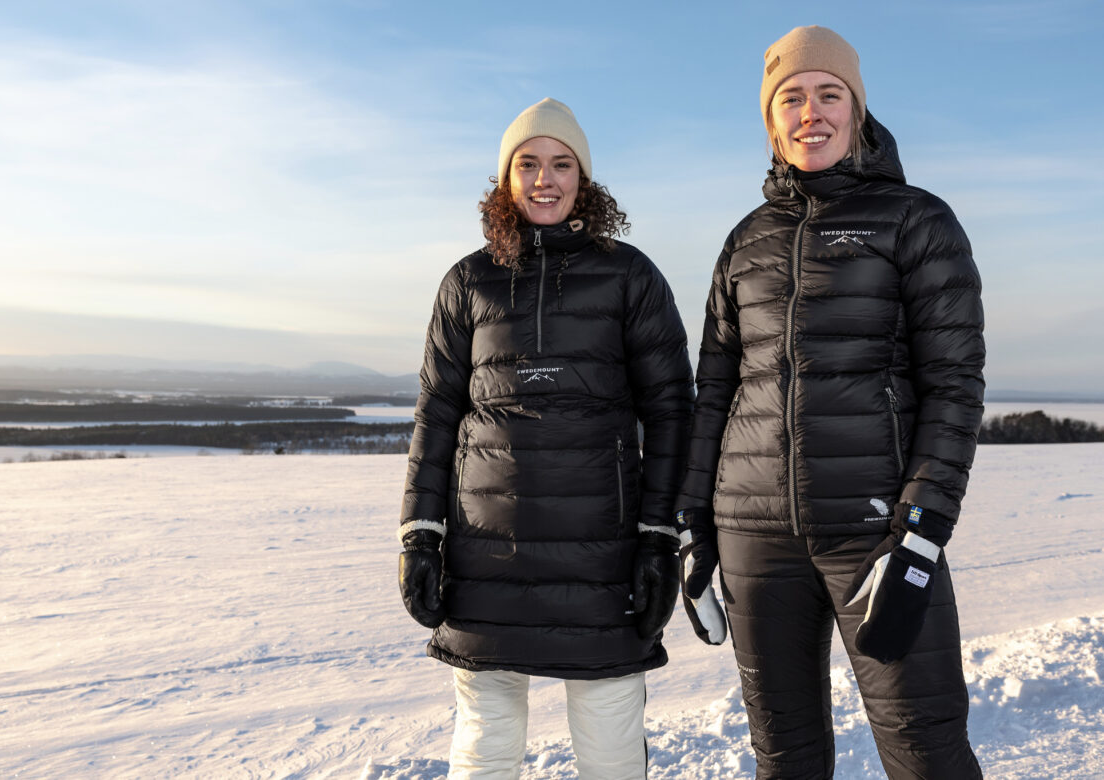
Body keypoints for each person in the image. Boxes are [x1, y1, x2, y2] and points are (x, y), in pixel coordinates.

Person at [674, 26, 985, 779]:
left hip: (875, 533)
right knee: (784, 757)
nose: (810, 112)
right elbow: (715, 393)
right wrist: (694, 525)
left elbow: (954, 385)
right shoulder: (745, 240)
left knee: (926, 751)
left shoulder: (916, 220)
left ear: (857, 110)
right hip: (753, 536)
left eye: (828, 94)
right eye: (791, 98)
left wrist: (920, 533)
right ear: (771, 121)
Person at [397, 97, 693, 779]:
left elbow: (672, 412)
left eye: (561, 164)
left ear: (583, 178)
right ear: (505, 179)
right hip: (485, 557)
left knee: (612, 750)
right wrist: (419, 534)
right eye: (527, 163)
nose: (544, 179)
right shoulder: (467, 281)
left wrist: (659, 539)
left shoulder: (630, 276)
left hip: (603, 558)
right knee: (485, 747)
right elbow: (437, 415)